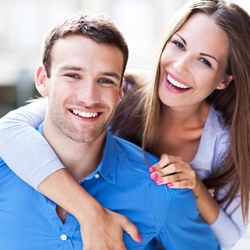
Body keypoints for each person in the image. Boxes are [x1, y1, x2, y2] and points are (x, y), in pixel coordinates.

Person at [0, 0, 249, 248]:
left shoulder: (226, 146)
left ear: (225, 80)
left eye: (204, 61)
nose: (180, 67)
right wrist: (91, 214)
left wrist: (195, 185)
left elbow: (226, 238)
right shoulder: (124, 89)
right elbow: (9, 130)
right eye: (178, 45)